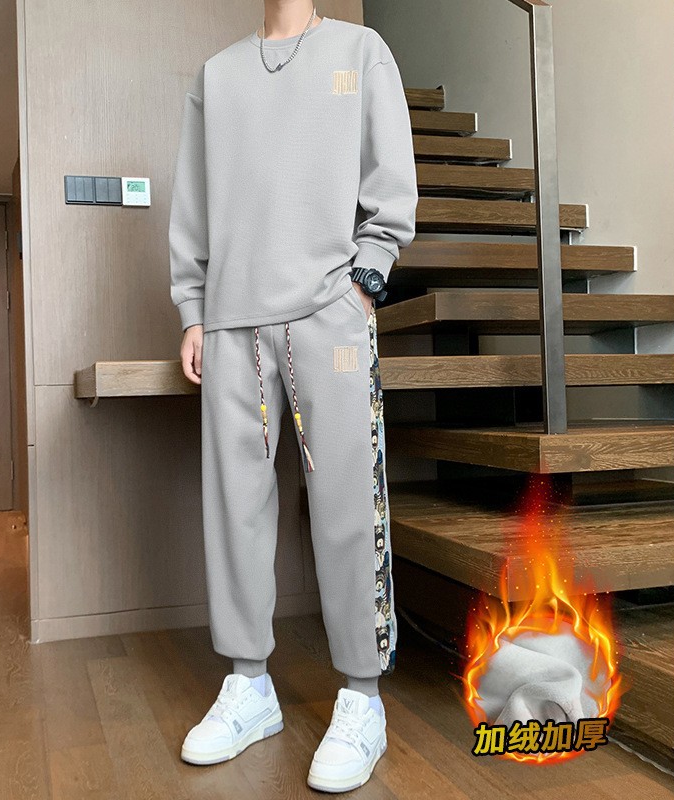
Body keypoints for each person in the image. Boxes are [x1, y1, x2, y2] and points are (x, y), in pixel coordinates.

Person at [168, 1, 418, 792]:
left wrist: (364, 284)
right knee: (235, 507)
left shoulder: (360, 51)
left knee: (346, 502)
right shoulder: (216, 76)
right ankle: (249, 685)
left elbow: (391, 186)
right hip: (231, 319)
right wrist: (193, 310)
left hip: (328, 315)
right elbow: (193, 204)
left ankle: (362, 695)